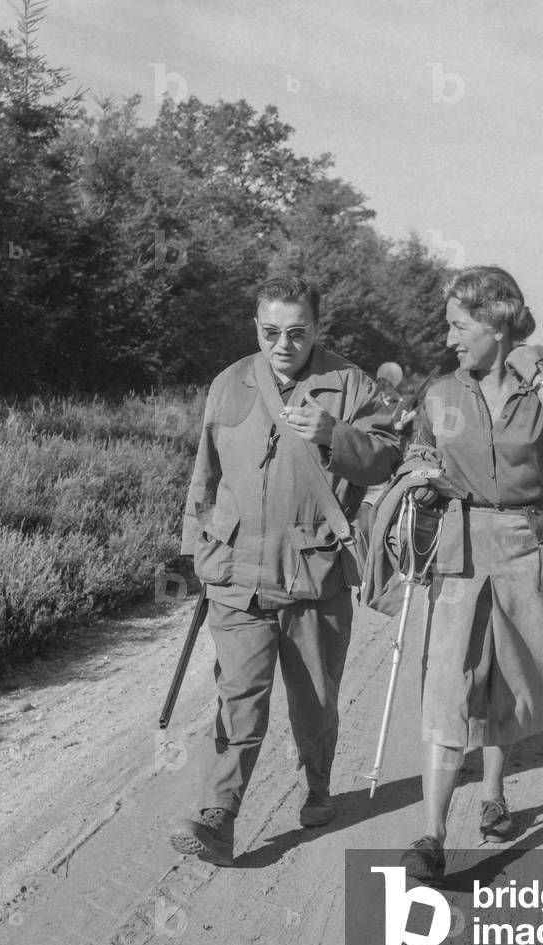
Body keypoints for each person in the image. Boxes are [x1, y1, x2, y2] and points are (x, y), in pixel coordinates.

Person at [169, 276, 400, 866]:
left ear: (316, 329)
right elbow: (205, 476)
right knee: (238, 697)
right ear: (256, 327)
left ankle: (317, 786)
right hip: (236, 572)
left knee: (315, 701)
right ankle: (219, 815)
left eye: (297, 333)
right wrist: (197, 550)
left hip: (314, 570)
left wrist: (335, 435)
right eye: (270, 332)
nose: (283, 345)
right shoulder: (230, 383)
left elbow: (386, 461)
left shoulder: (351, 385)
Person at [400, 265, 543, 881]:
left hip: (524, 543)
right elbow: (417, 453)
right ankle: (432, 836)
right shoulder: (440, 394)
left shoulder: (542, 390)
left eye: (460, 326)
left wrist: (538, 374)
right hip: (458, 543)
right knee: (448, 684)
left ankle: (493, 793)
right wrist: (419, 478)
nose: (449, 338)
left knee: (509, 679)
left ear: (497, 324)